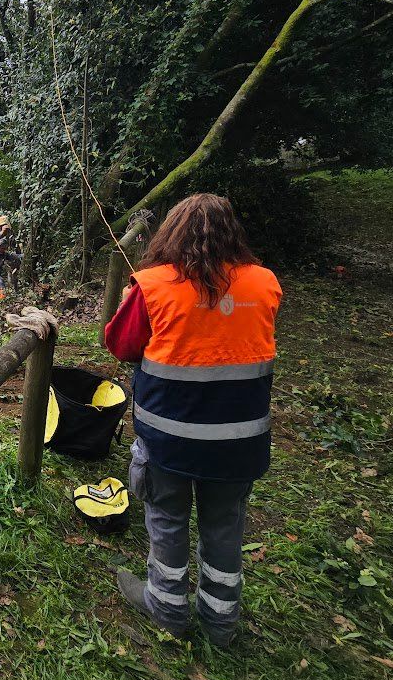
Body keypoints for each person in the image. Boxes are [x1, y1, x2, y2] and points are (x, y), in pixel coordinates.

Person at [104, 193, 282, 647]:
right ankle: (221, 622)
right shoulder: (264, 284)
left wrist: (131, 300)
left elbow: (121, 347)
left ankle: (167, 606)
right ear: (232, 235)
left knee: (166, 518)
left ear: (171, 234)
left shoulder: (151, 286)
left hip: (168, 442)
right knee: (226, 526)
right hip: (238, 443)